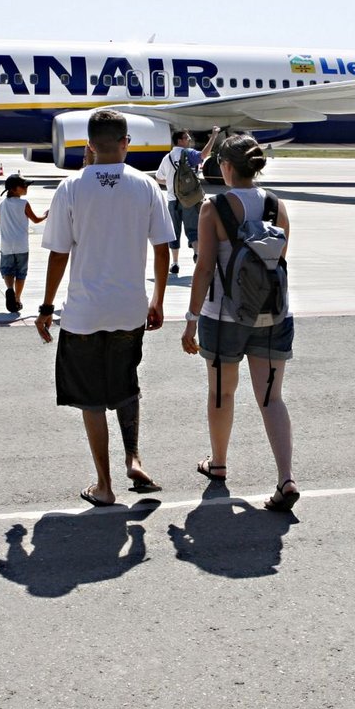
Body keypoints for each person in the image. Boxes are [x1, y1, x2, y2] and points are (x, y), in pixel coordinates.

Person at [36, 109, 175, 506]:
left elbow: (59, 254)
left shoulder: (71, 187)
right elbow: (162, 247)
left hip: (84, 313)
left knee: (92, 399)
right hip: (129, 309)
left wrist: (46, 306)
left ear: (88, 145)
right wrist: (158, 299)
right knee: (126, 383)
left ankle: (104, 484)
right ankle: (133, 458)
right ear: (128, 143)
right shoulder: (146, 186)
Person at [180, 134, 300, 512]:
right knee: (271, 398)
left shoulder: (213, 207)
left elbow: (203, 269)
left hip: (224, 316)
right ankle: (285, 477)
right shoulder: (275, 205)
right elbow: (278, 257)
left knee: (222, 392)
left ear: (226, 167)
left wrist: (190, 319)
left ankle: (218, 464)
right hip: (272, 313)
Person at [0, 173, 48, 305]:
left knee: (7, 270)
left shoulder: (2, 205)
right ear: (13, 189)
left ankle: (10, 289)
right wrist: (46, 215)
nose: (26, 187)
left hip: (6, 245)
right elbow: (35, 220)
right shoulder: (24, 203)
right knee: (21, 273)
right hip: (22, 245)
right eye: (23, 185)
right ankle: (17, 299)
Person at [154, 131, 204, 277]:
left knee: (174, 233)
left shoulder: (167, 157)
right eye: (187, 138)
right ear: (180, 140)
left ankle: (175, 263)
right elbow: (202, 156)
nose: (189, 140)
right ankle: (196, 253)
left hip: (173, 200)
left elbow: (158, 178)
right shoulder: (188, 154)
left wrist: (171, 184)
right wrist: (213, 136)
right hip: (189, 200)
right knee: (193, 230)